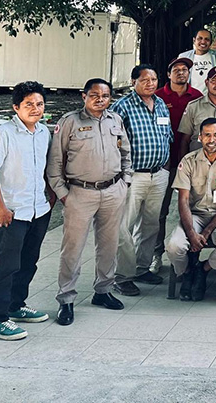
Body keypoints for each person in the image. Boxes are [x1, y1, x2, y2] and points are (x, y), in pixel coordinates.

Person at [46, 78, 131, 326]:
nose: (100, 100)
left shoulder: (115, 120)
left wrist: (125, 182)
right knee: (72, 249)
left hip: (113, 191)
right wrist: (63, 194)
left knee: (108, 245)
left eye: (105, 96)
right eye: (94, 95)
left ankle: (103, 291)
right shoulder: (70, 122)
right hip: (80, 193)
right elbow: (55, 163)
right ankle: (66, 300)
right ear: (84, 96)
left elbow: (126, 153)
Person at [0, 82, 54, 340]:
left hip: (38, 211)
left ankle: (17, 306)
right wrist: (1, 208)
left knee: (28, 263)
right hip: (12, 212)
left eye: (39, 104)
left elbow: (44, 169)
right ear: (16, 107)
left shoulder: (44, 132)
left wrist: (50, 198)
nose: (35, 109)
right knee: (6, 266)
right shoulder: (3, 134)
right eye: (29, 105)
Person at [109, 64, 172, 296]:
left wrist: (165, 166)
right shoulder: (122, 106)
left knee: (151, 224)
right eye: (145, 79)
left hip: (159, 174)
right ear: (133, 81)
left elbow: (168, 137)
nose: (150, 83)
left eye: (154, 79)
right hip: (133, 175)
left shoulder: (161, 104)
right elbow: (111, 142)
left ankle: (142, 267)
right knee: (125, 225)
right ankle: (122, 276)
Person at [166, 118, 216, 301]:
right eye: (207, 135)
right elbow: (183, 200)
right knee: (174, 247)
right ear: (199, 137)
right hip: (194, 215)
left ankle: (203, 269)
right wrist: (192, 233)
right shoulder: (189, 161)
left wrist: (207, 231)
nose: (212, 139)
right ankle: (187, 272)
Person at [153, 57, 203, 273]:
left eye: (185, 70)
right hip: (164, 164)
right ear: (169, 74)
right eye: (177, 70)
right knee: (159, 212)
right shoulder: (158, 97)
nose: (182, 73)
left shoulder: (197, 97)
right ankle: (156, 255)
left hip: (191, 166)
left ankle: (190, 255)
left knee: (190, 210)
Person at [178, 29, 216, 96]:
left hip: (210, 99)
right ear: (194, 40)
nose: (203, 42)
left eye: (207, 39)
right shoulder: (184, 57)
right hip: (190, 98)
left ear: (211, 42)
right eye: (200, 38)